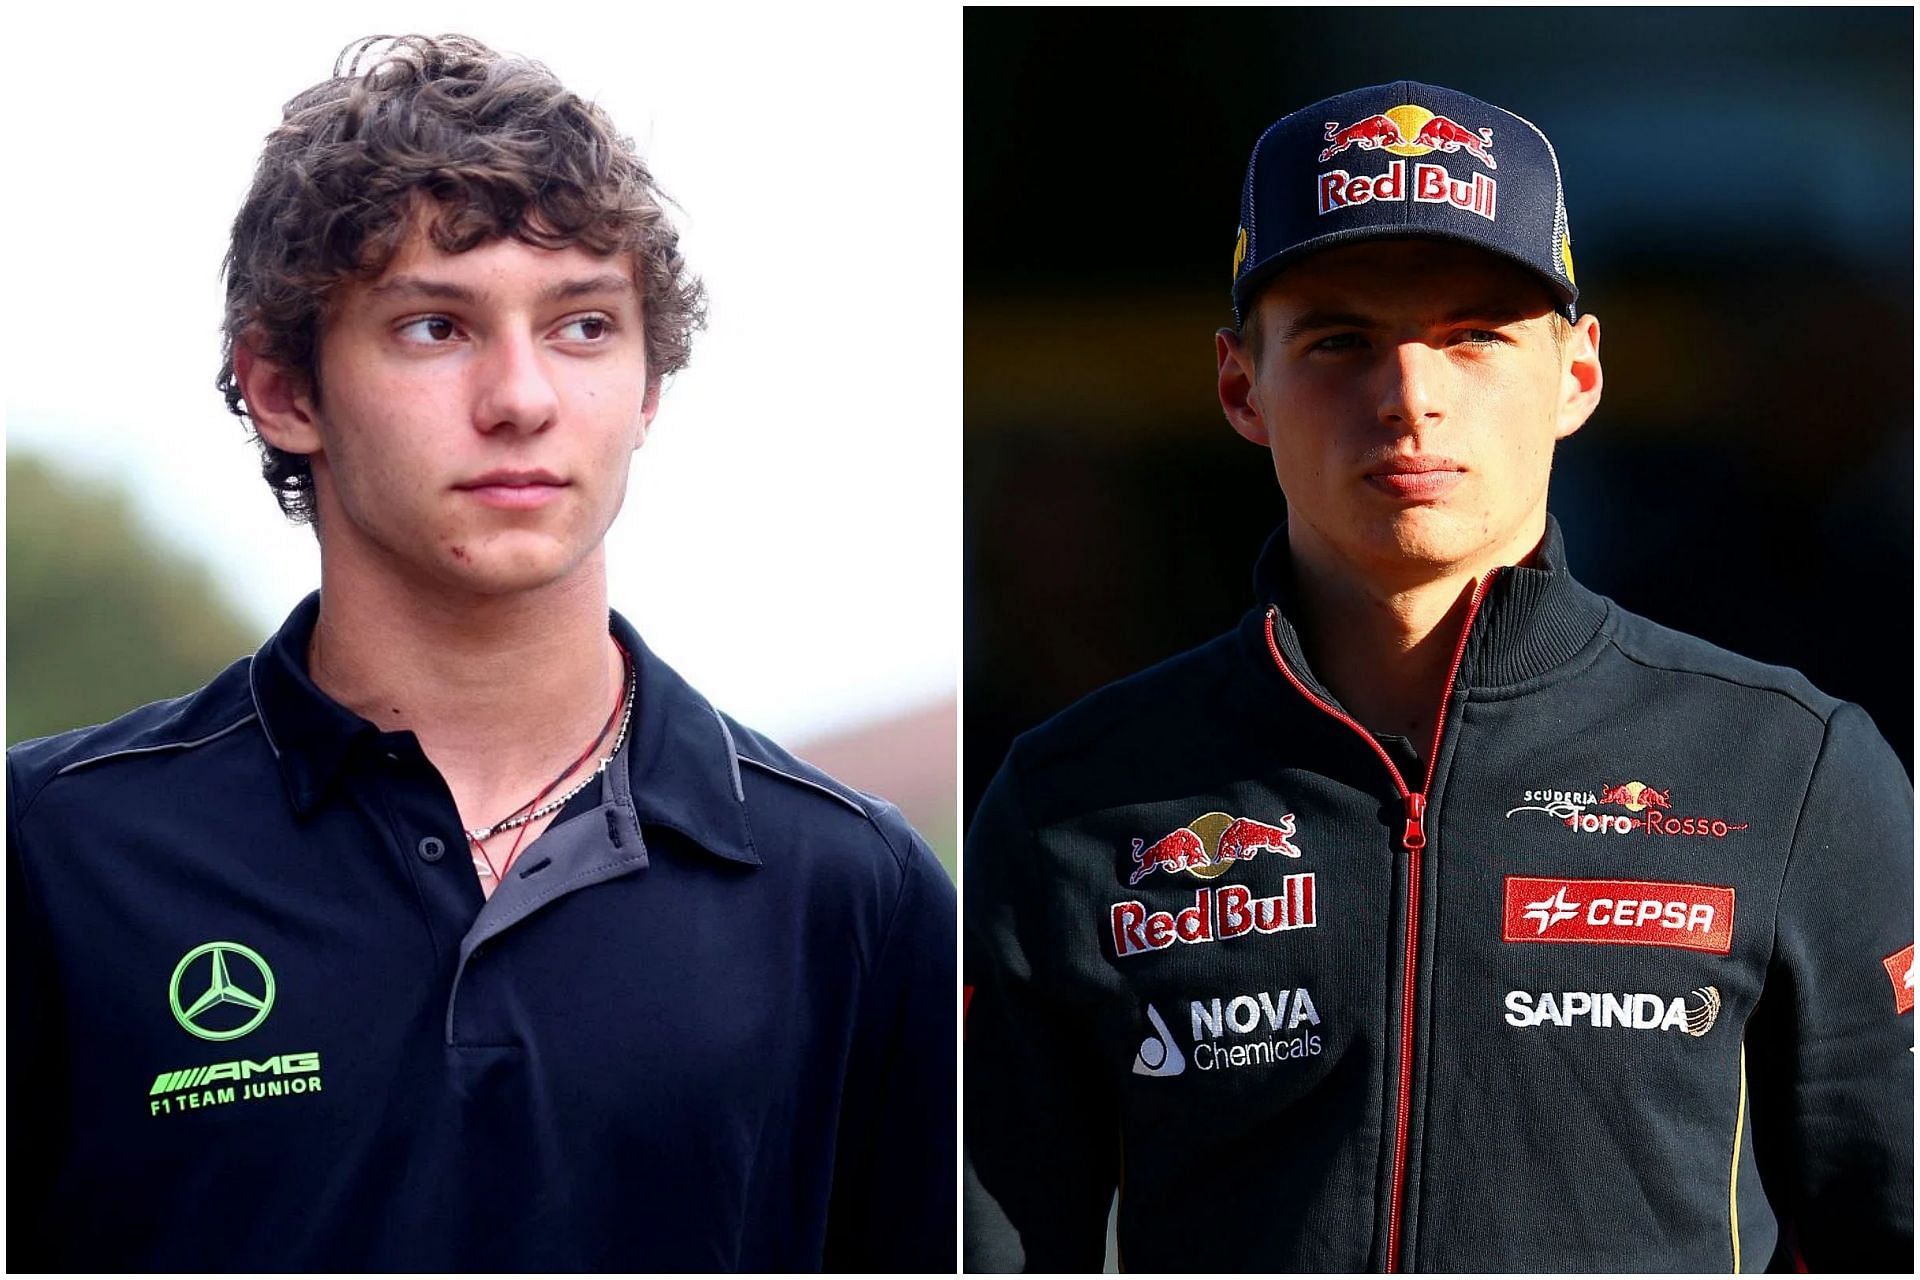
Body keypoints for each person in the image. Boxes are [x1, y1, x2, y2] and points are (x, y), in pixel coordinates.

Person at [7, 34, 954, 1272]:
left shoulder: (853, 892)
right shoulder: (52, 854)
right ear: (283, 388)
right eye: (434, 327)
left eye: (582, 326)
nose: (521, 397)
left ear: (647, 387)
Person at [964, 80, 1911, 1273]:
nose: (1411, 396)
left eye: (1474, 334)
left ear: (1577, 373)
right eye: (1341, 339)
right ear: (1240, 385)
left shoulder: (1792, 768)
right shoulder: (1073, 801)